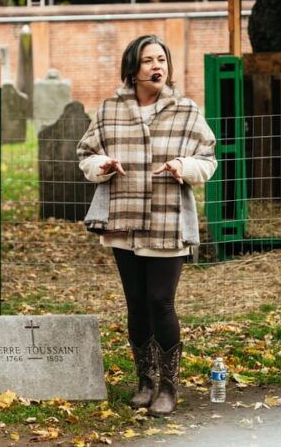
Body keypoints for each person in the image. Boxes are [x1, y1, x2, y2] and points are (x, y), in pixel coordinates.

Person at [77, 35, 217, 416]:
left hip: (167, 220)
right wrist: (102, 165)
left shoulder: (187, 111)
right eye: (148, 61)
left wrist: (183, 168)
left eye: (162, 59)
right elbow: (86, 154)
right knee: (136, 305)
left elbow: (208, 159)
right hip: (123, 220)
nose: (157, 66)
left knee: (161, 302)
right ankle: (145, 380)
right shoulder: (109, 111)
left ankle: (169, 386)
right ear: (132, 69)